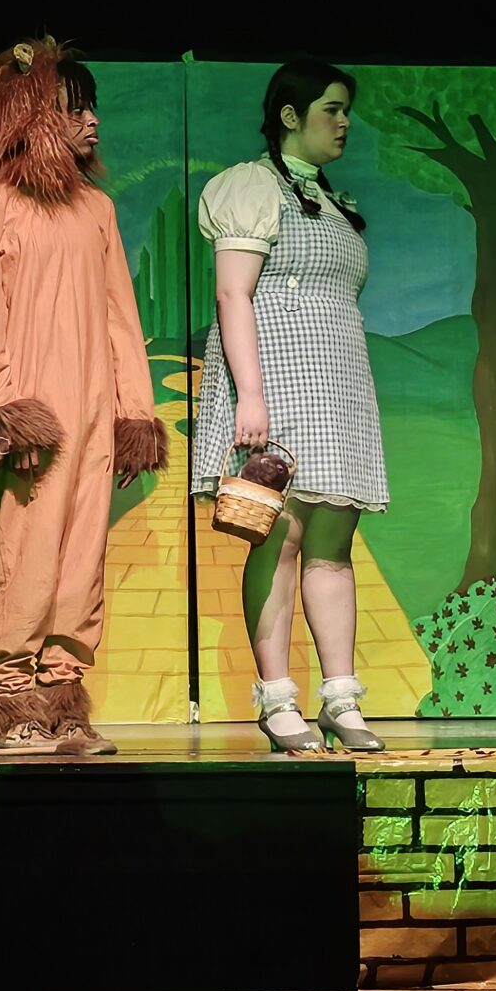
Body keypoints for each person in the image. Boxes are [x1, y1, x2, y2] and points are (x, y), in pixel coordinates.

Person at [0, 38, 166, 755]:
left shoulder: (97, 209)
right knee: (23, 547)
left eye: (92, 108)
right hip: (33, 408)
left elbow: (119, 315)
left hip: (92, 410)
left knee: (81, 558)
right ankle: (11, 698)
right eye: (75, 109)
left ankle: (64, 696)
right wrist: (10, 412)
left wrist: (134, 411)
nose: (92, 122)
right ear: (34, 113)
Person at [190, 60, 388, 752]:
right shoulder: (252, 186)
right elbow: (233, 293)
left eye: (346, 110)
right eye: (331, 109)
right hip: (276, 377)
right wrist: (250, 395)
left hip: (337, 384)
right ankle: (277, 700)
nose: (344, 122)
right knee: (279, 538)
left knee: (333, 546)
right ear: (290, 116)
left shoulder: (331, 200)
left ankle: (341, 698)